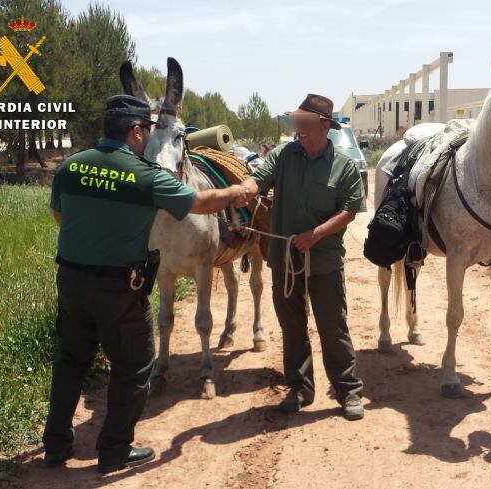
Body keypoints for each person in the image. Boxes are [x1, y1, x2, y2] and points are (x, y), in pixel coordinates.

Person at [43, 94, 248, 473]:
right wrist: (239, 192)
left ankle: (55, 445)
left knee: (70, 362)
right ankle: (115, 450)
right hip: (119, 286)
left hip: (71, 281)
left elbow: (60, 216)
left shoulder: (70, 167)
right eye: (146, 133)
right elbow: (201, 205)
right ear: (136, 130)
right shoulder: (143, 176)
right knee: (134, 365)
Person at [241, 94, 367, 421]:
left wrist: (316, 234)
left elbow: (350, 210)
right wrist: (245, 189)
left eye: (305, 123)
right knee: (292, 327)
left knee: (332, 327)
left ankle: (348, 391)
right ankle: (299, 388)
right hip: (285, 261)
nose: (299, 129)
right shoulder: (284, 156)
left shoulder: (344, 165)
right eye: (297, 123)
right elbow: (258, 179)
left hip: (324, 261)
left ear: (325, 126)